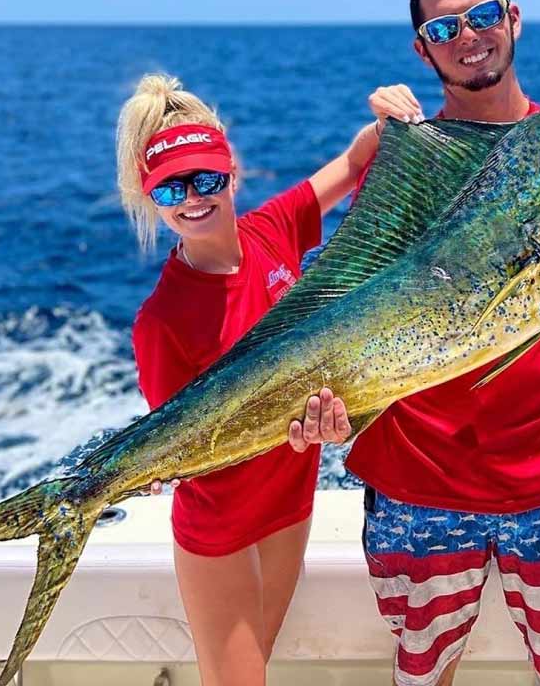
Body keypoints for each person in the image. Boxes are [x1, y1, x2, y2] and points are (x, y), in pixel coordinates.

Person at [290, 0, 540, 686]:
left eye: (484, 16)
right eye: (444, 27)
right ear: (423, 50)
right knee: (422, 674)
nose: (469, 36)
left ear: (513, 18)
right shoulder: (410, 158)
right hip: (416, 489)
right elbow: (351, 302)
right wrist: (337, 414)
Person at [117, 73, 410, 686]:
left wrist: (388, 112)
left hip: (290, 504)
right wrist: (287, 428)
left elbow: (358, 162)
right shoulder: (163, 321)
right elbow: (185, 451)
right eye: (172, 188)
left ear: (231, 172)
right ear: (151, 199)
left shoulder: (273, 230)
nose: (193, 198)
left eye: (206, 179)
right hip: (220, 529)